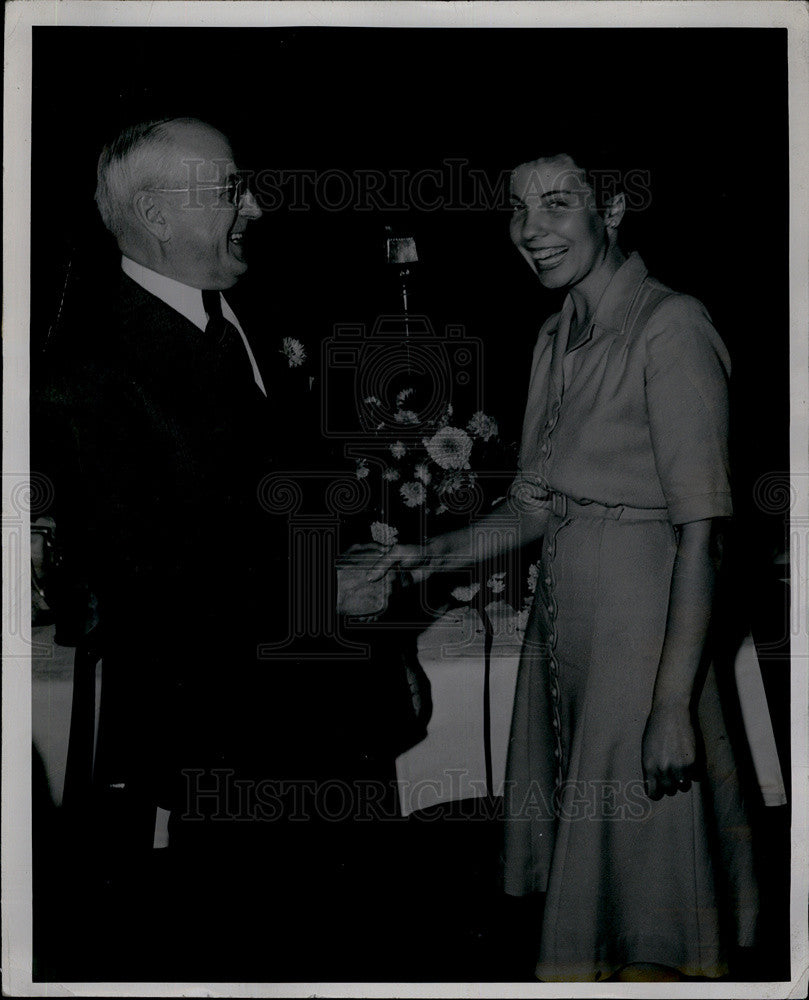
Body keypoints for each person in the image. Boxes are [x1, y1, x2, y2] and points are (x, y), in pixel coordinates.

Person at [370, 151, 758, 981]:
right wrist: (428, 553)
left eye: (556, 203)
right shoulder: (556, 333)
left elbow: (705, 536)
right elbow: (533, 503)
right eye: (517, 208)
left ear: (611, 209)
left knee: (647, 901)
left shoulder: (670, 326)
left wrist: (670, 706)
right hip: (569, 631)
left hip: (642, 641)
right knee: (600, 895)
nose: (530, 229)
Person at [36, 116, 391, 978]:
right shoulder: (87, 367)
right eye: (233, 189)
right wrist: (319, 595)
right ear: (157, 215)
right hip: (227, 738)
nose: (259, 207)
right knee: (256, 948)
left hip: (330, 715)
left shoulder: (256, 317)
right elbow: (148, 578)